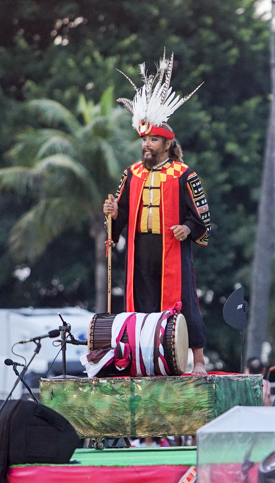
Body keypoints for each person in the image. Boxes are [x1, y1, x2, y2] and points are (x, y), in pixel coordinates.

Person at [104, 52, 211, 375]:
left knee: (184, 303)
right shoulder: (132, 173)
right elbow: (119, 216)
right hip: (139, 250)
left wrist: (187, 229)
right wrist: (111, 215)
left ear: (167, 144)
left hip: (172, 251)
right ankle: (144, 360)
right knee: (141, 304)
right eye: (145, 139)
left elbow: (202, 217)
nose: (146, 145)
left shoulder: (184, 174)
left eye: (153, 139)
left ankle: (199, 360)